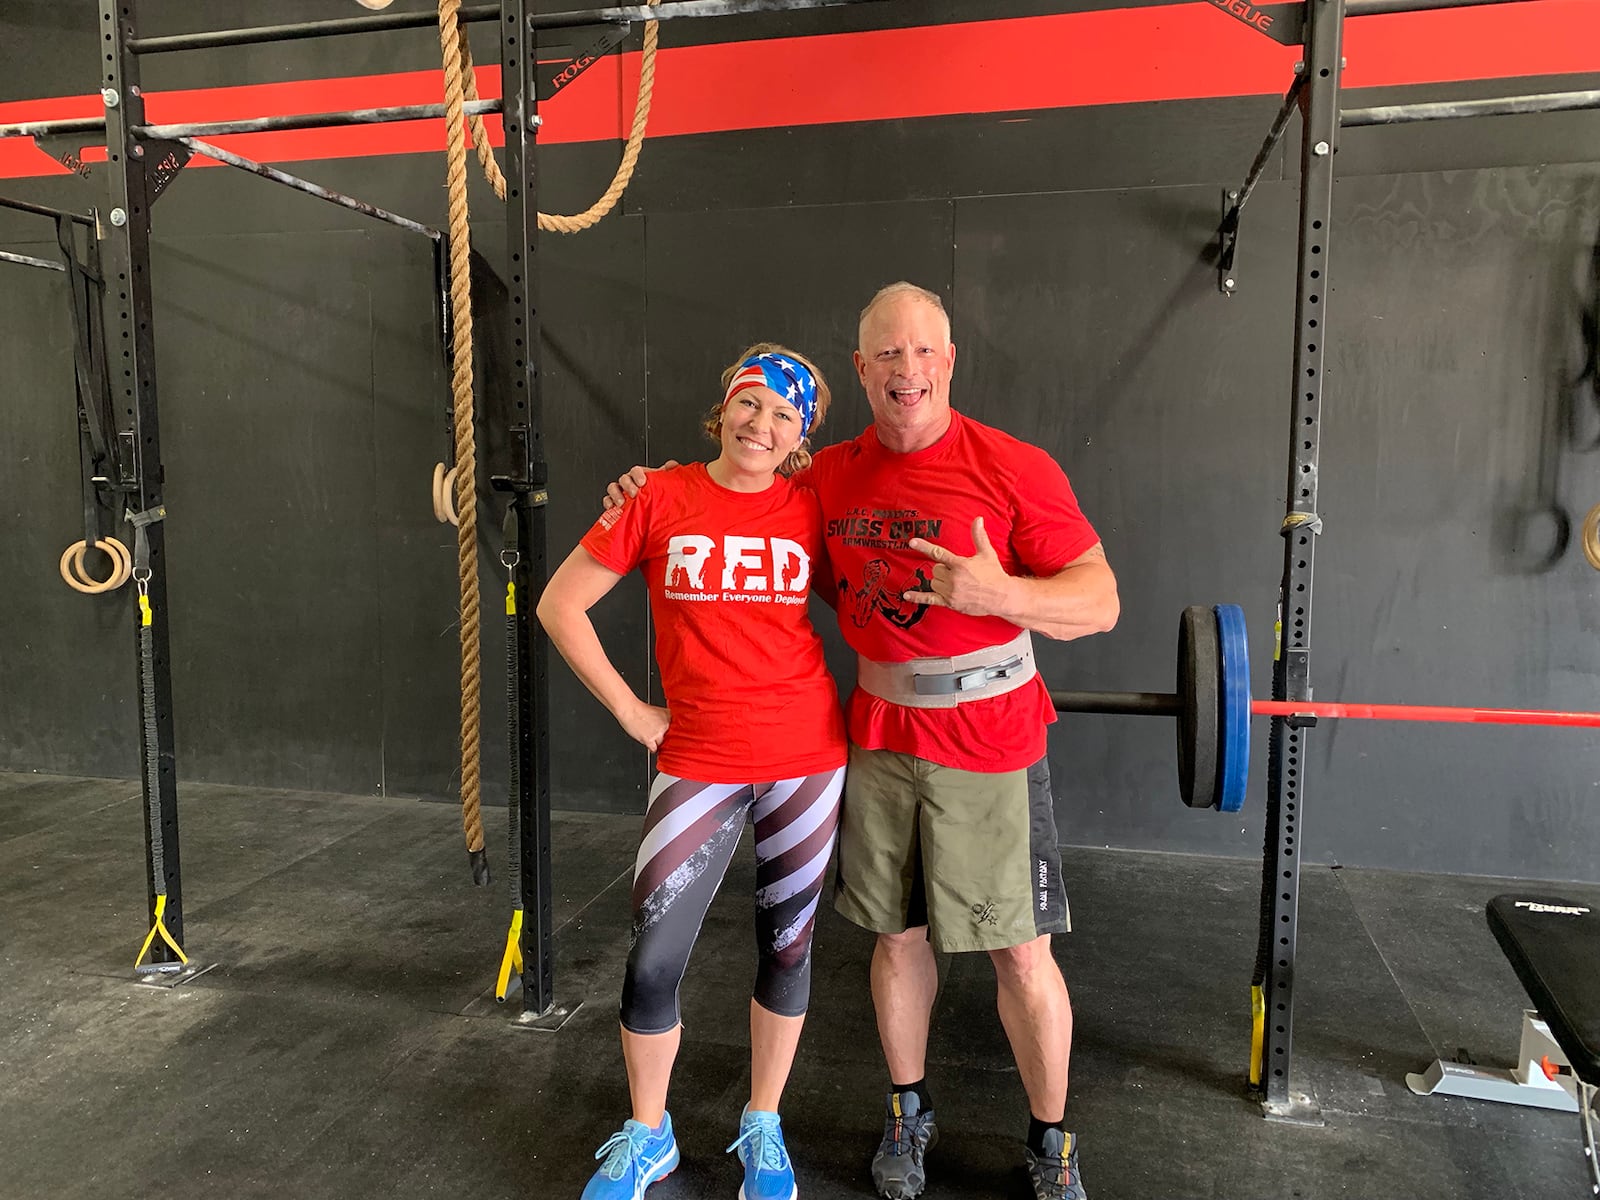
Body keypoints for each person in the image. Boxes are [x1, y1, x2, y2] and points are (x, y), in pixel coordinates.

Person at [606, 283, 1119, 1200]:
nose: (906, 370)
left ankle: (1052, 1139)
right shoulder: (828, 473)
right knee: (896, 941)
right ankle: (907, 1113)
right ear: (861, 370)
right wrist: (641, 488)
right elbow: (738, 482)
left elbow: (1100, 600)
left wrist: (995, 596)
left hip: (990, 739)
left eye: (922, 351)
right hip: (876, 736)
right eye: (887, 354)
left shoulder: (1012, 465)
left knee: (1021, 955)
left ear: (949, 362)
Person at [539, 343, 849, 1200]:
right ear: (725, 408)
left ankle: (764, 1123)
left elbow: (871, 600)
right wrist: (636, 713)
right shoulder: (662, 495)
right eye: (752, 403)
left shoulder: (812, 508)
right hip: (702, 760)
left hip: (807, 757)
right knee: (653, 958)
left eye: (785, 416)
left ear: (799, 438)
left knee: (787, 949)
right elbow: (559, 604)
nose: (763, 424)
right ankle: (650, 1133)